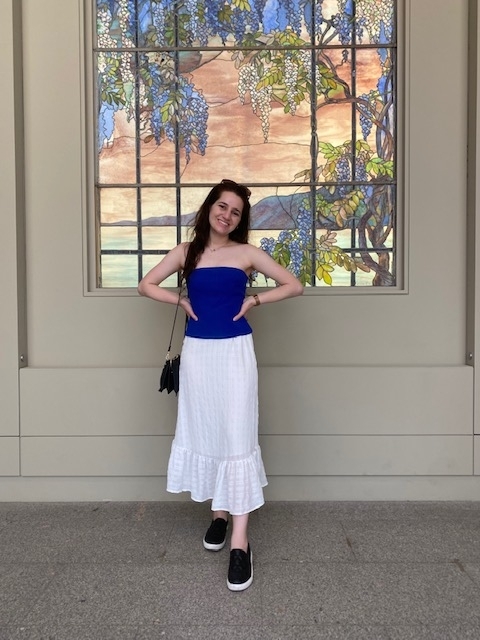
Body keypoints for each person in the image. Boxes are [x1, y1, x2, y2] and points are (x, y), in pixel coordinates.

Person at [138, 179, 303, 591]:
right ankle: (219, 514)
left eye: (235, 212)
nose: (226, 215)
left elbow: (294, 285)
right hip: (198, 356)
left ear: (239, 220)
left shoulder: (247, 253)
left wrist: (255, 301)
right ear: (210, 206)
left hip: (235, 355)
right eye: (222, 206)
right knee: (208, 430)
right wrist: (179, 300)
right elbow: (146, 284)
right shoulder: (186, 252)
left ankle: (241, 544)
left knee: (237, 435)